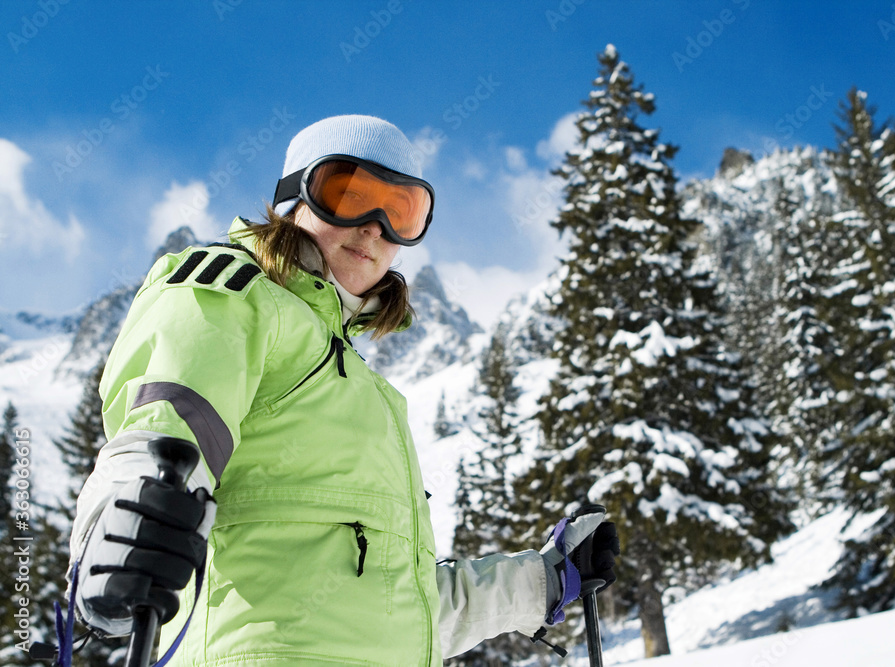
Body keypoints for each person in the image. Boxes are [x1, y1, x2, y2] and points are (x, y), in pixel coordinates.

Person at [67, 114, 619, 666]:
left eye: (401, 212)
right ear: (293, 198)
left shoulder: (363, 384)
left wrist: (542, 581)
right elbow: (166, 426)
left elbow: (403, 608)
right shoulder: (236, 294)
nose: (376, 227)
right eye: (350, 195)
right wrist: (121, 526)